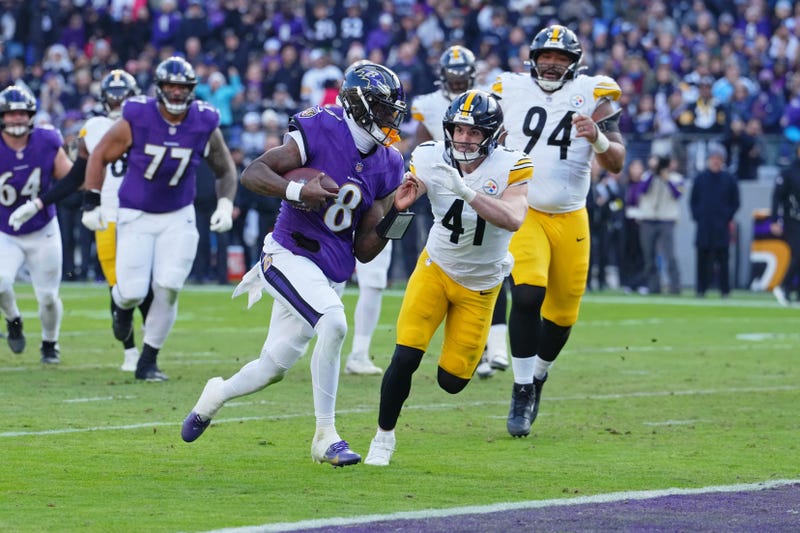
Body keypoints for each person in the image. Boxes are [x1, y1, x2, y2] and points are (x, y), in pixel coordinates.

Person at [180, 62, 413, 467]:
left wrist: (397, 216)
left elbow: (364, 250)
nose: (389, 120)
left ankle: (215, 394)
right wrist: (296, 190)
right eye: (382, 109)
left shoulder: (389, 162)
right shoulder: (321, 126)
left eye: (392, 112)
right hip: (288, 253)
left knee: (272, 367)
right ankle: (326, 436)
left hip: (331, 270)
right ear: (358, 104)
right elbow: (254, 172)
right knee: (334, 323)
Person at [364, 89, 531, 466]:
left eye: (474, 132)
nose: (464, 139)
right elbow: (408, 197)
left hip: (481, 285)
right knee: (405, 355)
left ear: (492, 135)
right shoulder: (430, 156)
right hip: (436, 268)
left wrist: (467, 192)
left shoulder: (513, 164)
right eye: (458, 130)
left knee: (452, 382)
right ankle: (383, 438)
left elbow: (514, 219)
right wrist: (399, 207)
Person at [490, 24, 626, 437]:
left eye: (560, 58)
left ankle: (537, 377)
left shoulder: (594, 93)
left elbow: (617, 162)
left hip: (571, 215)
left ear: (574, 63)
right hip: (525, 210)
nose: (551, 64)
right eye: (545, 56)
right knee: (527, 293)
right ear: (533, 59)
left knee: (563, 314)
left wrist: (598, 138)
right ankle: (520, 389)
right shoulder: (507, 89)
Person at [80, 56, 238, 381]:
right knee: (132, 292)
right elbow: (99, 155)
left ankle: (148, 360)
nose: (176, 92)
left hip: (178, 214)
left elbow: (225, 168)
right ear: (159, 88)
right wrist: (92, 201)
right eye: (170, 86)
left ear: (192, 89)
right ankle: (121, 307)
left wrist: (225, 204)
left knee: (169, 285)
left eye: (182, 87)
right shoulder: (138, 116)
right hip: (136, 213)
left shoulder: (204, 120)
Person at [10, 69, 153, 371]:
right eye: (113, 98)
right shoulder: (95, 127)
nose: (118, 104)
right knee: (118, 286)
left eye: (123, 98)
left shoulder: (149, 123)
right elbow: (77, 175)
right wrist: (40, 203)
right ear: (103, 100)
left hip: (144, 214)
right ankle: (130, 351)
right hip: (108, 215)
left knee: (148, 285)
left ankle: (150, 348)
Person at [411, 45, 508, 378]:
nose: (456, 80)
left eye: (460, 75)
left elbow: (501, 143)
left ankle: (495, 347)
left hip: (482, 184)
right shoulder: (428, 104)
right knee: (451, 260)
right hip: (444, 188)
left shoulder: (489, 100)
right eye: (451, 75)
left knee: (492, 261)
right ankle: (477, 349)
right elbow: (420, 147)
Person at [1, 85, 73, 364]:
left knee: (48, 297)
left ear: (31, 115)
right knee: (0, 282)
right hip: (5, 229)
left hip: (43, 228)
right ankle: (13, 319)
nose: (17, 118)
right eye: (11, 113)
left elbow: (70, 178)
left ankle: (50, 343)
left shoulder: (46, 140)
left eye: (22, 113)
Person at [689, 143, 740, 298]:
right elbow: (693, 201)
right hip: (704, 225)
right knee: (702, 258)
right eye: (713, 158)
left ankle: (725, 290)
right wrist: (698, 216)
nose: (715, 161)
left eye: (718, 158)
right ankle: (701, 289)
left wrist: (727, 216)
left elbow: (735, 202)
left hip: (721, 226)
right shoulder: (700, 178)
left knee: (723, 259)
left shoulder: (729, 179)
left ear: (722, 161)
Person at [637, 155, 684, 295]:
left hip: (666, 219)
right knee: (649, 255)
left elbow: (678, 194)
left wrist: (667, 179)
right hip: (648, 219)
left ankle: (675, 287)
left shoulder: (676, 178)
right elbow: (642, 190)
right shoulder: (647, 176)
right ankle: (653, 287)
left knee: (670, 255)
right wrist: (653, 172)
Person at [343, 243, 392, 375]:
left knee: (375, 281)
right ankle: (299, 337)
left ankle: (359, 354)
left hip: (376, 230)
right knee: (331, 279)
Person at [770, 146, 800, 306]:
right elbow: (777, 197)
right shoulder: (788, 172)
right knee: (798, 253)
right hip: (793, 220)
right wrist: (774, 220)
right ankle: (783, 286)